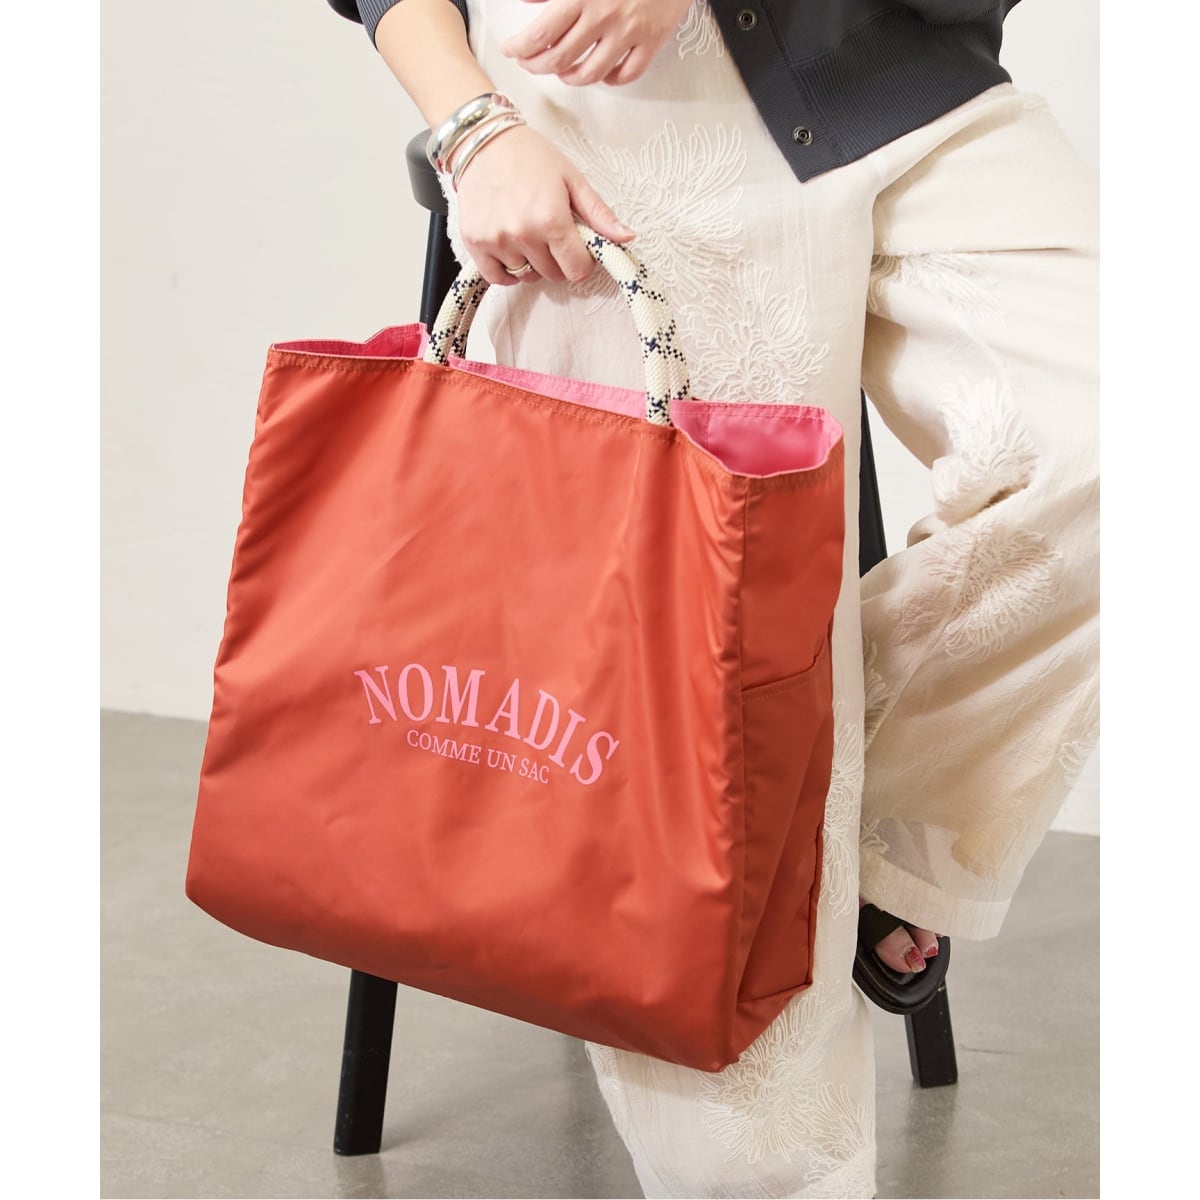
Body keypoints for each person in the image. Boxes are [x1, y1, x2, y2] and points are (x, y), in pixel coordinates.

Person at [327, 2, 1099, 1196]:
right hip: (610, 111)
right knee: (690, 657)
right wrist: (470, 124)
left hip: (897, 60)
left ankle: (832, 839)